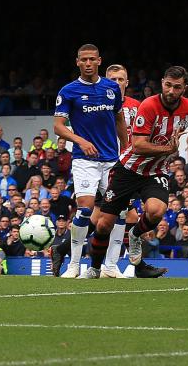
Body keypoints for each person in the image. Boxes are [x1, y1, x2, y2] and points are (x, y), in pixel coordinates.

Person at [85, 66, 188, 278]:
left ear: (184, 88)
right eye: (168, 85)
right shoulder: (149, 105)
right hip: (128, 169)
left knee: (156, 210)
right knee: (104, 224)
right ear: (162, 82)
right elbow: (137, 145)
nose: (171, 91)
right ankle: (95, 267)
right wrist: (169, 150)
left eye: (177, 87)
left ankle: (135, 234)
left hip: (156, 171)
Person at [51, 44, 128, 278]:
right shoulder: (68, 91)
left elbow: (119, 120)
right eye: (83, 59)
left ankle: (111, 266)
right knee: (85, 210)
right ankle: (74, 265)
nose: (87, 63)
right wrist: (81, 141)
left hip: (112, 160)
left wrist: (126, 149)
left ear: (99, 61)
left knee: (120, 212)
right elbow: (58, 126)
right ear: (77, 62)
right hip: (84, 160)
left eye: (91, 59)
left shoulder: (112, 88)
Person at [101, 64, 169, 279]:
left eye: (121, 80)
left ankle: (133, 265)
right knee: (105, 218)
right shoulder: (99, 105)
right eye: (112, 80)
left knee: (126, 216)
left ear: (127, 82)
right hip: (107, 165)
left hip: (135, 167)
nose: (117, 84)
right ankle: (111, 264)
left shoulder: (138, 106)